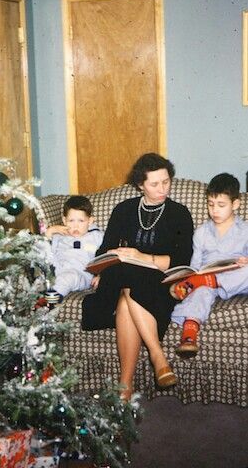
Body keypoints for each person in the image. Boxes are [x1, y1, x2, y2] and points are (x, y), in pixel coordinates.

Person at [81, 153, 194, 399]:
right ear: (140, 185)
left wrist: (141, 256)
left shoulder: (179, 213)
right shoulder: (123, 210)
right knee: (126, 283)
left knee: (127, 292)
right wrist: (105, 264)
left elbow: (181, 261)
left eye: (166, 182)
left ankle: (126, 385)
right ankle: (157, 357)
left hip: (160, 283)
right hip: (123, 279)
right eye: (155, 184)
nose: (162, 188)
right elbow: (104, 250)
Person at [170, 173, 248, 357]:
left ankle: (207, 280)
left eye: (221, 205)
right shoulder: (202, 232)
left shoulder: (245, 230)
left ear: (235, 204)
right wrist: (191, 276)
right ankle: (189, 336)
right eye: (210, 204)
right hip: (206, 278)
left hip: (236, 279)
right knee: (201, 290)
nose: (215, 210)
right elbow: (195, 266)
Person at [45, 195, 104, 298]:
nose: (75, 226)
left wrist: (102, 276)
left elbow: (107, 256)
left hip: (80, 274)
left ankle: (48, 304)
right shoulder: (59, 235)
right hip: (56, 271)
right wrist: (50, 232)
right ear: (64, 220)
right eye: (71, 221)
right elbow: (46, 253)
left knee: (68, 278)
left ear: (90, 221)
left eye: (81, 221)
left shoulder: (97, 236)